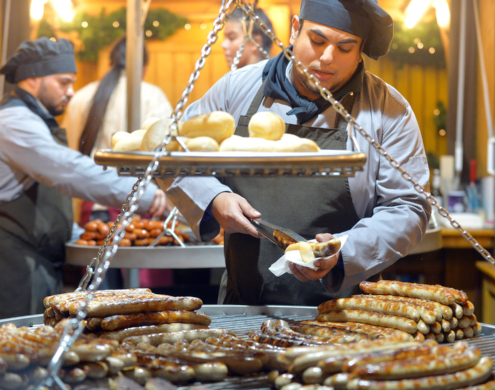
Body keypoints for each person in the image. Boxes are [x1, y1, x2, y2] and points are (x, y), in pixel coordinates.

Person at [163, 0, 431, 306]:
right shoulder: (237, 89)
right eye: (317, 41)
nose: (327, 58)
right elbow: (174, 151)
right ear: (294, 30)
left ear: (361, 50)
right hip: (245, 309)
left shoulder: (389, 112)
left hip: (347, 317)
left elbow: (409, 207)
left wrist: (344, 251)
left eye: (345, 48)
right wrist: (212, 198)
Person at [0, 37, 168, 318]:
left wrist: (76, 234)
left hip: (37, 254)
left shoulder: (33, 119)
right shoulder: (14, 122)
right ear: (31, 79)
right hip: (16, 262)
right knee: (20, 354)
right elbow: (69, 169)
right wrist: (145, 194)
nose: (71, 91)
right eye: (63, 82)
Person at [62, 36, 174, 289]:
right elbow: (167, 153)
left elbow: (69, 154)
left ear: (110, 62)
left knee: (98, 302)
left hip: (93, 208)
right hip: (141, 205)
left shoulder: (81, 96)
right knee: (141, 304)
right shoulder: (152, 95)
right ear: (143, 67)